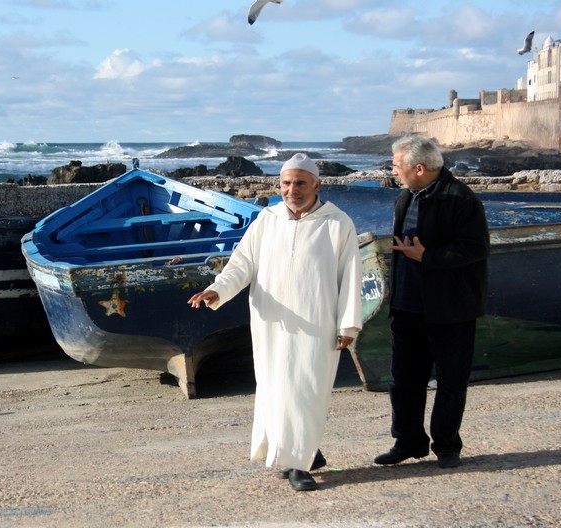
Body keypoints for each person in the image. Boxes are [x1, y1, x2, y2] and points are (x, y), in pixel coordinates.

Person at [187, 153, 362, 492]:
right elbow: (241, 265)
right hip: (270, 321)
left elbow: (352, 277)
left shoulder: (338, 223)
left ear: (316, 185)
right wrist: (216, 289)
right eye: (285, 183)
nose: (291, 190)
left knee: (305, 389)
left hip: (317, 322)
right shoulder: (267, 219)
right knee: (275, 387)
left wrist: (348, 325)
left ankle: (300, 464)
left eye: (299, 183)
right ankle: (297, 452)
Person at [374, 134, 490, 469]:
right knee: (404, 382)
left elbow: (476, 248)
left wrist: (428, 256)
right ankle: (408, 442)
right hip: (408, 307)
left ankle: (447, 446)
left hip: (450, 309)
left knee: (451, 381)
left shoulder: (461, 199)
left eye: (397, 165)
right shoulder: (405, 197)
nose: (394, 171)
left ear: (419, 167)